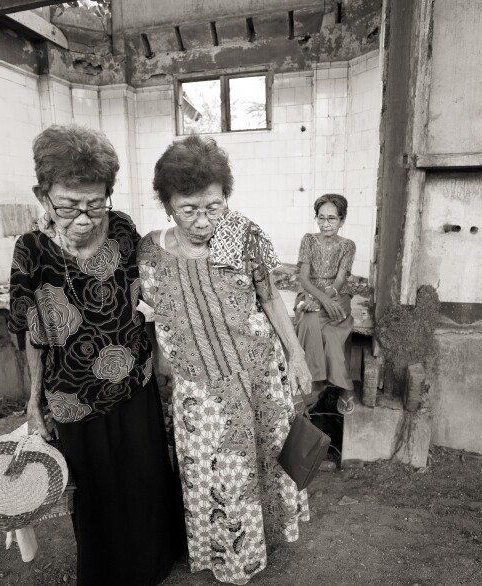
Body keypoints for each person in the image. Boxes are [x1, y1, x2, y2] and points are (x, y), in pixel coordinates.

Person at [7, 125, 185, 586]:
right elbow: (31, 333)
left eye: (95, 202)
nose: (84, 218)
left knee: (146, 479)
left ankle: (157, 561)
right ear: (42, 195)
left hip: (136, 385)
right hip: (74, 398)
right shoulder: (31, 251)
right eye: (68, 205)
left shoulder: (123, 228)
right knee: (98, 494)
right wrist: (32, 402)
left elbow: (153, 296)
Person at [138, 135, 311, 585]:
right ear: (167, 204)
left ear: (226, 197)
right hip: (198, 388)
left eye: (213, 206)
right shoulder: (149, 251)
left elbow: (272, 301)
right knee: (210, 479)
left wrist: (297, 357)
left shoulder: (243, 234)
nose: (202, 220)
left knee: (261, 464)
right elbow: (158, 317)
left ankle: (257, 547)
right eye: (188, 209)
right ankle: (226, 556)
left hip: (255, 376)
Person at [294, 194, 357, 415]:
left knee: (318, 321)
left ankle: (315, 385)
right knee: (315, 323)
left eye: (332, 218)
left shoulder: (347, 245)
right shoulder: (309, 240)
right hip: (310, 291)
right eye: (321, 218)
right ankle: (332, 385)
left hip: (337, 294)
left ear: (342, 219)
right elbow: (303, 278)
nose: (325, 223)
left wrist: (327, 297)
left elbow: (340, 280)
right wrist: (318, 299)